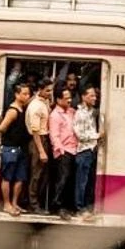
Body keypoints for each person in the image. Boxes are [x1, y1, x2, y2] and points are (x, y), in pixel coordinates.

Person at [0, 84, 32, 216]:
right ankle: (7, 204)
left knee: (20, 178)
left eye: (28, 94)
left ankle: (15, 202)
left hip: (20, 148)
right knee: (7, 177)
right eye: (24, 94)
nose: (27, 96)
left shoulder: (23, 109)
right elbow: (2, 128)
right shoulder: (13, 111)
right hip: (10, 148)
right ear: (17, 95)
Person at [73, 86, 103, 221]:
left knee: (88, 181)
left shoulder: (91, 112)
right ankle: (80, 209)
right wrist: (97, 136)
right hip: (84, 150)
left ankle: (86, 207)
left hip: (90, 150)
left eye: (95, 96)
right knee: (82, 182)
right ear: (83, 97)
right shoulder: (80, 113)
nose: (95, 98)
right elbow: (80, 134)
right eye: (91, 95)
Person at [49, 88, 78, 220]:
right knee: (62, 180)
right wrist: (61, 152)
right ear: (58, 100)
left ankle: (66, 206)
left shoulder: (72, 112)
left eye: (70, 97)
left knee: (69, 180)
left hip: (74, 150)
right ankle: (57, 207)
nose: (70, 100)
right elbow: (54, 136)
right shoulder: (55, 115)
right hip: (64, 151)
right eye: (66, 98)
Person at [26, 78, 54, 215]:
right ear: (40, 90)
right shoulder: (36, 106)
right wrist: (42, 151)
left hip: (44, 139)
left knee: (43, 174)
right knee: (36, 175)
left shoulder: (44, 101)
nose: (50, 93)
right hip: (38, 140)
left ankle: (37, 203)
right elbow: (35, 131)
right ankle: (33, 205)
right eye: (48, 90)